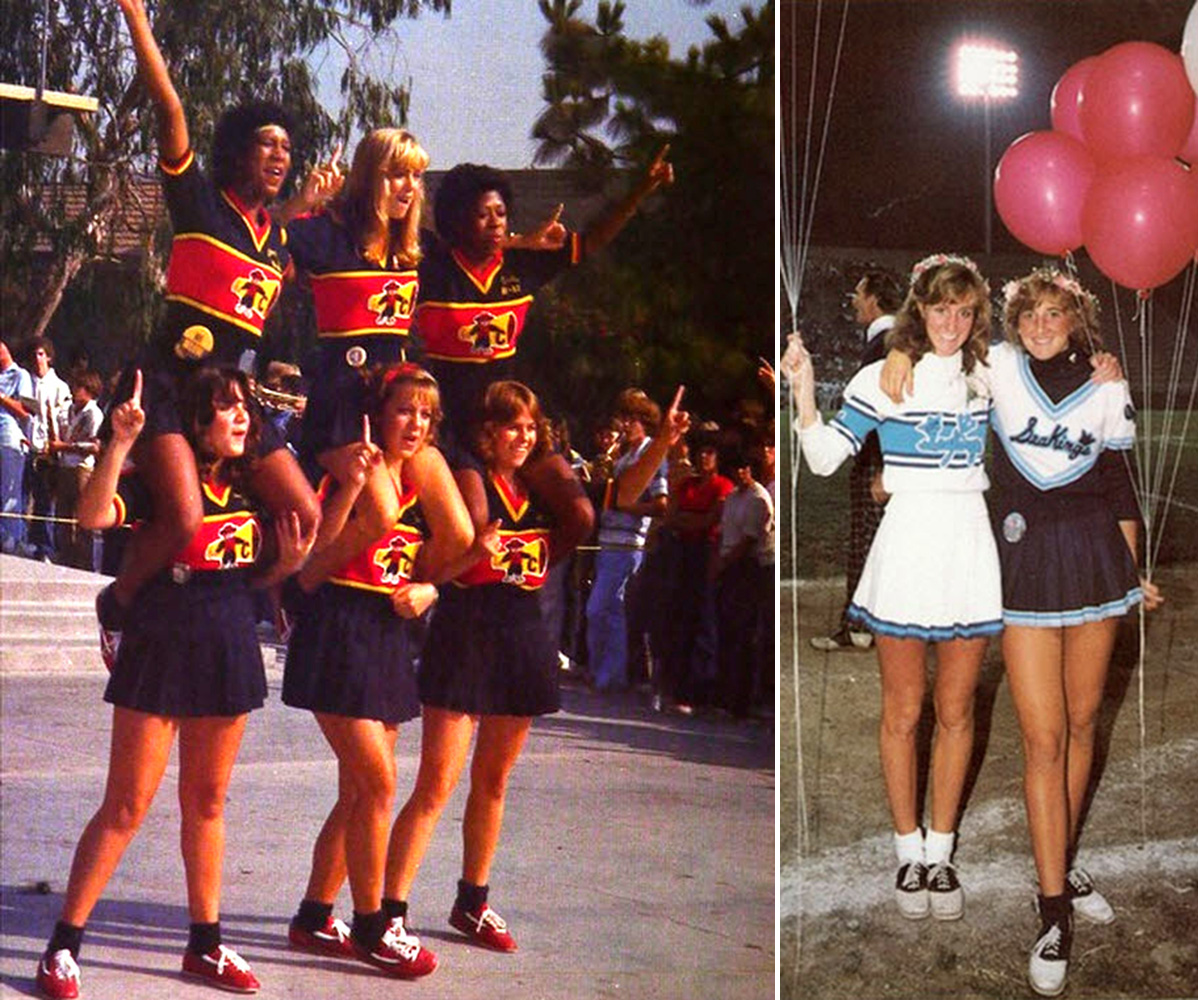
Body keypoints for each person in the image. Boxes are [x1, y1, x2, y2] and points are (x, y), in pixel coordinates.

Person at [885, 267, 1158, 995]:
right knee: (1040, 738)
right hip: (1025, 564)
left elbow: (1118, 485)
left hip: (1098, 561)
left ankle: (1061, 859)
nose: (1041, 325)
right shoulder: (994, 368)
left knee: (1078, 726)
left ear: (1076, 321)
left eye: (1055, 314)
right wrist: (902, 352)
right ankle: (1051, 909)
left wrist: (1134, 570)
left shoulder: (1106, 384)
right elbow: (934, 339)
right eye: (1030, 314)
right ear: (1013, 323)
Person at [34, 367, 315, 999]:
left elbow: (245, 572)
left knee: (208, 802)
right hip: (161, 641)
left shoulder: (252, 492)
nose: (242, 419)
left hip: (227, 643)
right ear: (195, 421)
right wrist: (120, 443)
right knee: (127, 804)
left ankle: (205, 943)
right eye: (226, 409)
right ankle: (63, 944)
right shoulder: (164, 485)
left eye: (245, 409)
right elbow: (93, 514)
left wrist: (285, 567)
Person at [99, 0, 319, 667]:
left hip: (233, 395)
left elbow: (269, 275)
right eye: (267, 144)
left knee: (302, 515)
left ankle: (247, 598)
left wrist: (307, 208)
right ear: (237, 151)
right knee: (185, 519)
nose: (280, 155)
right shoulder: (198, 200)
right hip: (166, 383)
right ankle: (118, 602)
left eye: (287, 147)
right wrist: (138, 20)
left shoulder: (276, 231)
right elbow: (170, 113)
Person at [782, 254, 1002, 923]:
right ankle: (907, 851)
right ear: (919, 309)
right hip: (905, 552)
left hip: (968, 550)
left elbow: (1052, 357)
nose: (952, 324)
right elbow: (823, 460)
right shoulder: (883, 377)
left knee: (958, 711)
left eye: (964, 311)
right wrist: (803, 389)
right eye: (940, 309)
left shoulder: (991, 376)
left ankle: (941, 854)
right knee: (904, 712)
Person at [282, 363, 471, 979]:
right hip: (337, 624)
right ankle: (372, 925)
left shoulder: (422, 472)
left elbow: (460, 539)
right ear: (378, 413)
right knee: (379, 783)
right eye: (404, 411)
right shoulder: (352, 465)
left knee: (359, 789)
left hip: (387, 631)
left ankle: (314, 915)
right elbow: (311, 564)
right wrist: (358, 499)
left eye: (425, 414)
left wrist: (429, 587)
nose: (414, 424)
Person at [414, 152, 673, 561]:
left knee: (580, 514)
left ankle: (527, 588)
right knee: (476, 517)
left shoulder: (522, 266)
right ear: (457, 221)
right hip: (458, 423)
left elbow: (591, 241)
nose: (496, 221)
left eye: (501, 212)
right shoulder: (432, 271)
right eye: (483, 214)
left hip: (516, 421)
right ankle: (452, 597)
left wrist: (639, 191)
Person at [382, 380, 560, 954]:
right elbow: (442, 557)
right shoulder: (467, 488)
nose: (523, 437)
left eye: (530, 428)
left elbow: (623, 496)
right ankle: (390, 909)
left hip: (524, 631)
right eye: (512, 427)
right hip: (466, 631)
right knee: (436, 783)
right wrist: (459, 563)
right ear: (486, 433)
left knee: (494, 781)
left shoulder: (541, 486)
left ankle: (473, 900)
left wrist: (661, 442)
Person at [810, 269, 903, 652]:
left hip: (879, 462)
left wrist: (882, 464)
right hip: (891, 460)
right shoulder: (891, 340)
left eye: (859, 294)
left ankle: (857, 624)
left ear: (874, 299)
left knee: (867, 541)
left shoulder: (886, 343)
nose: (853, 300)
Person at [586, 388, 669, 693]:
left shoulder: (651, 456)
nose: (625, 425)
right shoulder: (623, 457)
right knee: (605, 611)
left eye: (631, 419)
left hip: (628, 544)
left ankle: (611, 676)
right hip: (607, 540)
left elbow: (662, 504)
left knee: (605, 610)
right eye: (623, 418)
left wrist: (627, 506)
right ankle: (601, 672)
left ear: (644, 421)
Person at [660, 435, 733, 711]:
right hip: (683, 552)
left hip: (706, 552)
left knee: (705, 620)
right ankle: (678, 687)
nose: (705, 458)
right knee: (681, 619)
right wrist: (688, 520)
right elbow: (672, 517)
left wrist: (689, 520)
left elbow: (711, 519)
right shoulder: (686, 485)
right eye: (702, 452)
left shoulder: (722, 485)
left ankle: (700, 690)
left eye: (710, 452)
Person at [713, 447, 774, 717]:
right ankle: (725, 696)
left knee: (745, 634)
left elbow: (749, 540)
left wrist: (722, 564)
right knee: (727, 632)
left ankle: (742, 701)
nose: (740, 473)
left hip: (748, 568)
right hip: (729, 565)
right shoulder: (733, 498)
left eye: (744, 468)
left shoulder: (758, 498)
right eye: (735, 469)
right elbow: (726, 533)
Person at [50, 371, 105, 571]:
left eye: (79, 387)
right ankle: (66, 557)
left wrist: (64, 446)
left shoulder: (93, 413)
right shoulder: (70, 409)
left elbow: (94, 446)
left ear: (89, 391)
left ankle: (85, 563)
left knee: (83, 518)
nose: (74, 391)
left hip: (82, 469)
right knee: (63, 515)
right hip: (66, 466)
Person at [25, 337, 74, 561]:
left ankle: (45, 547)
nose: (37, 359)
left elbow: (64, 420)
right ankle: (26, 543)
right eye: (34, 354)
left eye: (41, 354)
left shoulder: (59, 386)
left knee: (45, 501)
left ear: (49, 357)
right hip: (26, 447)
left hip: (48, 451)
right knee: (22, 497)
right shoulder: (26, 381)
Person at [0, 338, 33, 555]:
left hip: (8, 439)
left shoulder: (20, 375)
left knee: (9, 491)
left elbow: (25, 410)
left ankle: (14, 539)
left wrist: (1, 397)